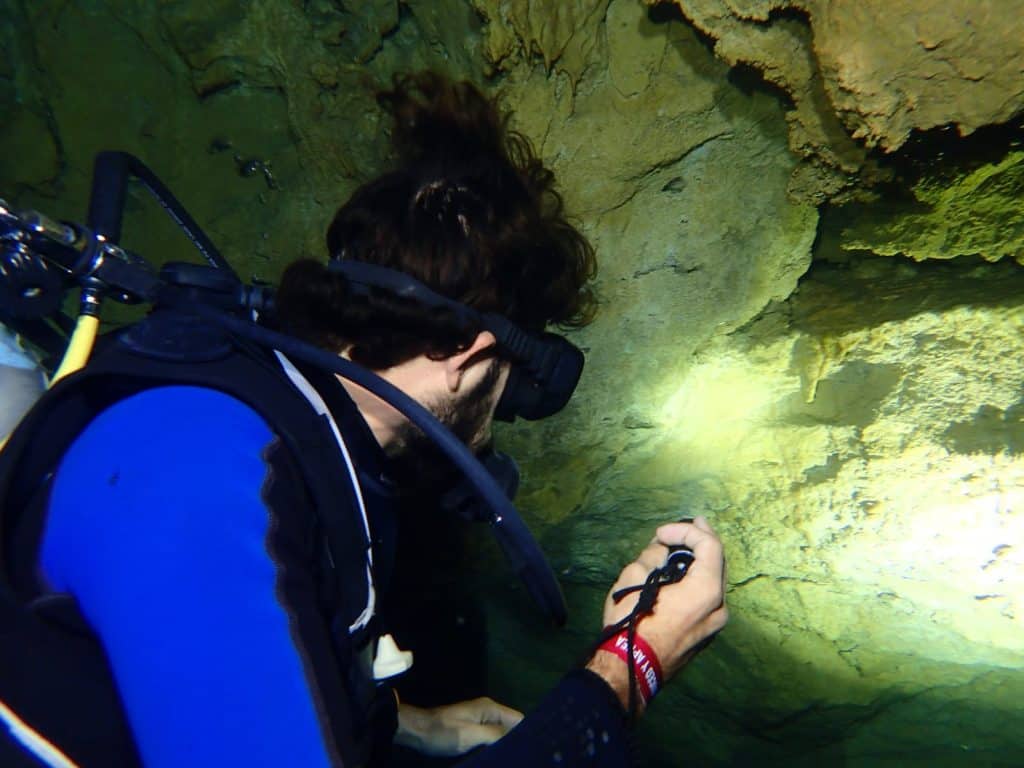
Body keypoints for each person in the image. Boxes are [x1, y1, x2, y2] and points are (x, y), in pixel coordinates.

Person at [0, 72, 727, 767]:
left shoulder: (295, 435)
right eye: (510, 378)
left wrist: (397, 725)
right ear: (472, 356)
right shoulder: (199, 471)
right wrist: (632, 668)